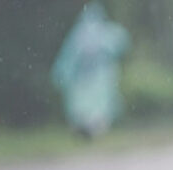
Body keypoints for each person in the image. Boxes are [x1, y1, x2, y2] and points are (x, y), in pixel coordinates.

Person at [51, 1, 130, 138]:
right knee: (90, 107)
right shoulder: (98, 34)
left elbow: (68, 58)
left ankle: (89, 128)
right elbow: (121, 42)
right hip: (90, 80)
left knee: (92, 107)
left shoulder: (81, 35)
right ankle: (88, 129)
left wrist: (62, 74)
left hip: (92, 80)